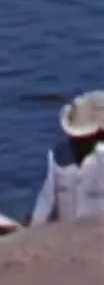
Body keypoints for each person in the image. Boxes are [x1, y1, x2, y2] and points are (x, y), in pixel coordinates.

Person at [30, 90, 104, 226]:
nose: (79, 141)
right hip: (63, 235)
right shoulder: (58, 154)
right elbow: (46, 200)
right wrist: (33, 229)